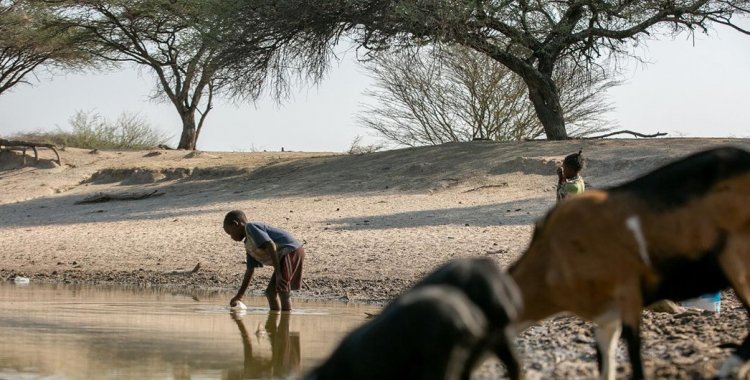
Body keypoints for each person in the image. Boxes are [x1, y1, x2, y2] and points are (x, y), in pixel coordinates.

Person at [223, 210, 305, 311]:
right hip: (282, 258)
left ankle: (285, 322)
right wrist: (239, 296)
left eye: (230, 233)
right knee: (270, 292)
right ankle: (274, 322)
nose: (231, 237)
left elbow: (271, 245)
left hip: (290, 251)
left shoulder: (250, 227)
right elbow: (250, 270)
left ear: (236, 224)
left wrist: (278, 273)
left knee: (282, 289)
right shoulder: (249, 245)